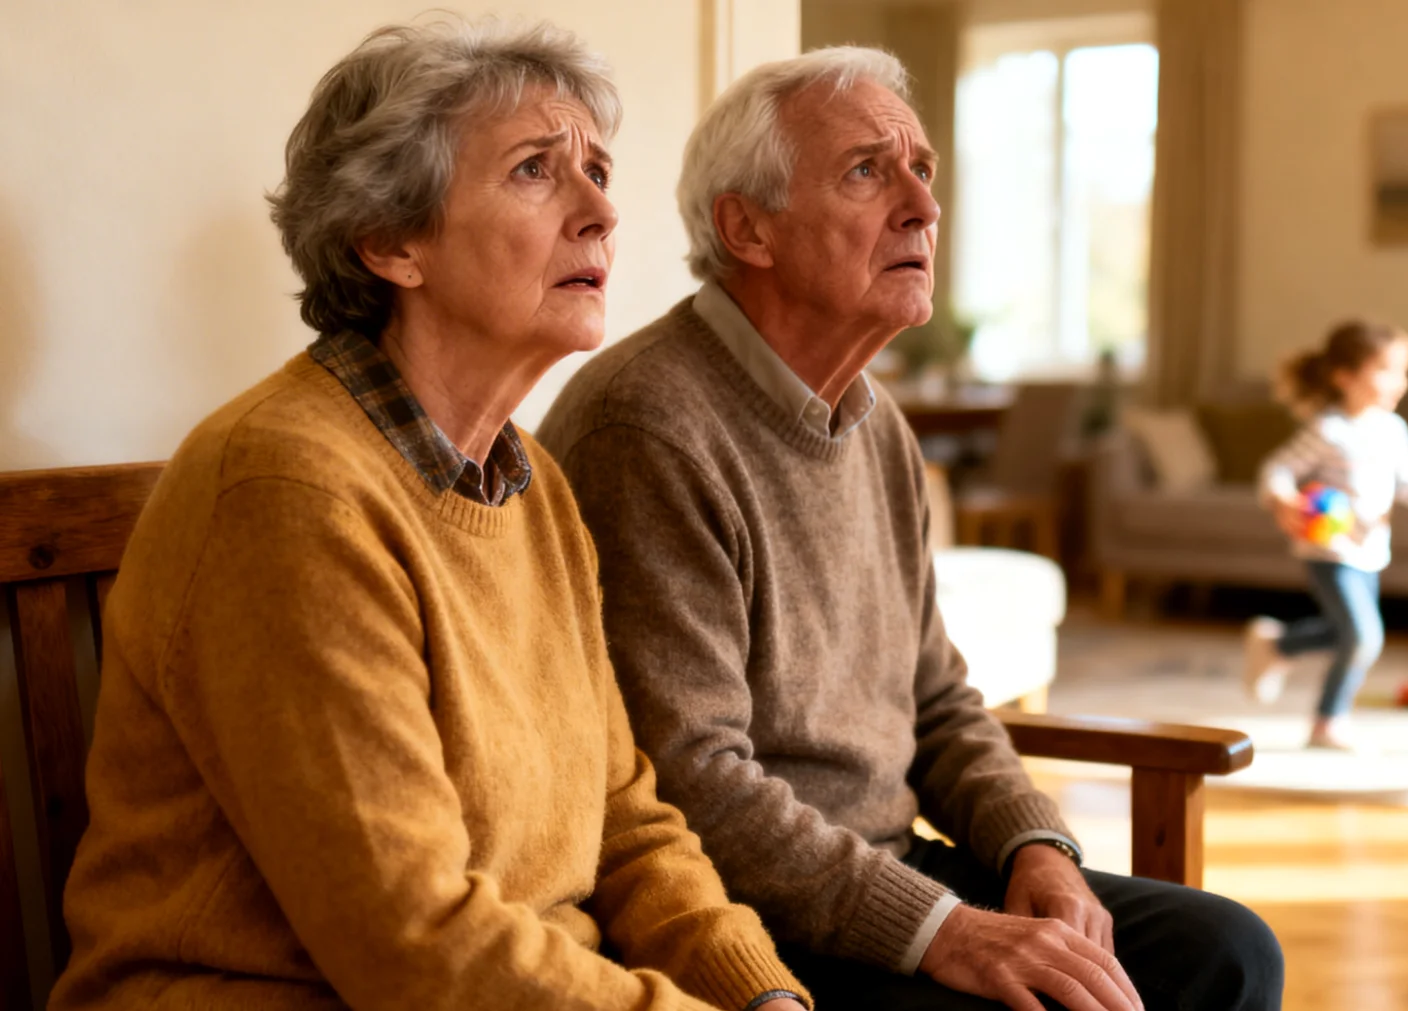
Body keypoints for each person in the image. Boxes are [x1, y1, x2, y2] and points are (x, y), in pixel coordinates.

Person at [51, 20, 805, 1011]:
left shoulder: (531, 485)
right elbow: (409, 938)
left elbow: (627, 825)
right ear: (389, 241)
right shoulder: (288, 489)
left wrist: (760, 996)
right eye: (536, 170)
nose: (600, 212)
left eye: (597, 171)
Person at [536, 47, 1282, 1011]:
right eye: (866, 171)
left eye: (921, 169)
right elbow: (690, 783)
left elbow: (936, 694)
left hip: (894, 872)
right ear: (747, 228)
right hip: (747, 917)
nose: (924, 206)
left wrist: (1035, 845)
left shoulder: (874, 419)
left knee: (1224, 952)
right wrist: (945, 929)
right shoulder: (646, 426)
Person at [1243, 320, 1408, 750]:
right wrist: (1283, 499)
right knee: (1364, 636)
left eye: (1403, 371)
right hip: (1328, 550)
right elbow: (1277, 469)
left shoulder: (1392, 428)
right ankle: (1328, 720)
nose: (1400, 382)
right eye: (1386, 370)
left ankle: (1279, 645)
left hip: (1370, 550)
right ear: (1343, 377)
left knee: (1346, 632)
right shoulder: (1327, 430)